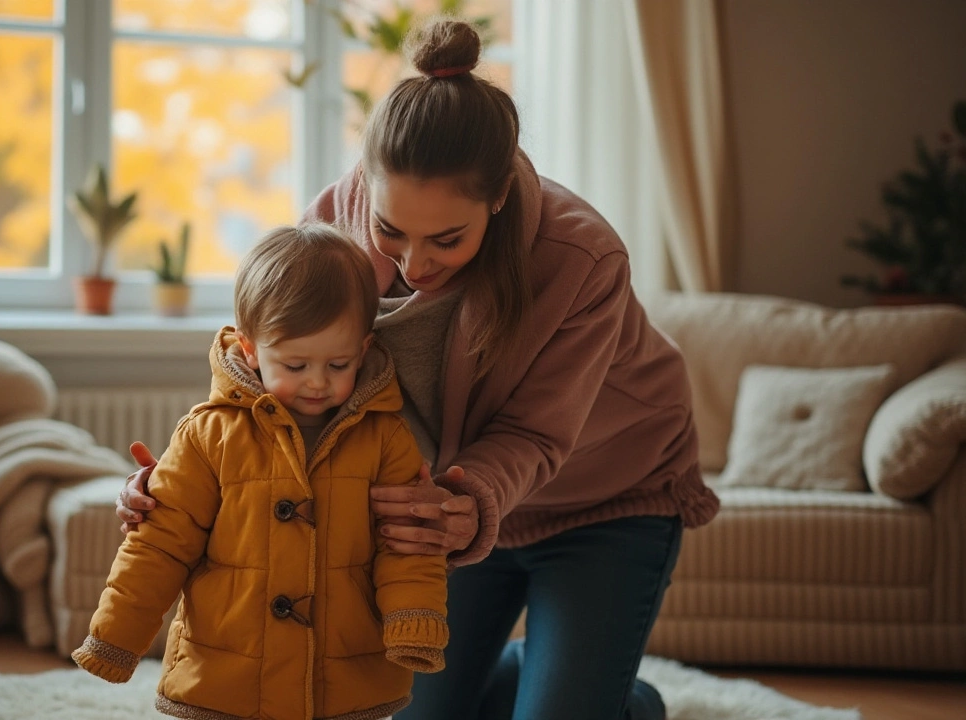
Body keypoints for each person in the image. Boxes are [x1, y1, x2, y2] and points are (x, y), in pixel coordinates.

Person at [117, 17, 720, 720]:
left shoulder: (582, 258)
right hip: (441, 502)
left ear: (496, 198)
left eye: (446, 239)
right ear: (365, 187)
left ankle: (613, 697)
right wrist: (184, 478)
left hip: (604, 498)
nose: (415, 265)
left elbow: (533, 434)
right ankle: (532, 676)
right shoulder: (335, 224)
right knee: (404, 703)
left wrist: (470, 508)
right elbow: (276, 366)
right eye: (391, 231)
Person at [73, 224, 450, 720]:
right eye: (294, 366)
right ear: (250, 350)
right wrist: (115, 635)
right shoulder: (210, 436)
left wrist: (413, 621)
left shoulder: (386, 440)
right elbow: (160, 543)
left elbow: (406, 544)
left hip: (343, 674)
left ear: (363, 350)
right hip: (226, 671)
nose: (318, 383)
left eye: (338, 364)